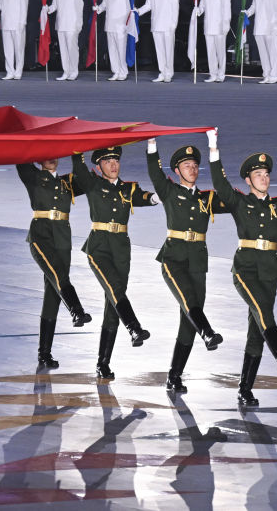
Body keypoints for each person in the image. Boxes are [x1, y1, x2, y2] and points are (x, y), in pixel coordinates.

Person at [206, 128, 277, 408]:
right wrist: (213, 148)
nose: (264, 178)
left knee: (256, 330)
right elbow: (220, 183)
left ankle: (244, 390)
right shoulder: (239, 201)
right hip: (245, 270)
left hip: (269, 271)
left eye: (266, 174)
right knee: (263, 312)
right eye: (258, 174)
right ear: (248, 180)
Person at [146, 139, 229, 393]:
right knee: (190, 302)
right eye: (186, 166)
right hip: (173, 259)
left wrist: (214, 152)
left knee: (188, 320)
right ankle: (208, 332)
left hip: (197, 262)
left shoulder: (207, 198)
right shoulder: (169, 191)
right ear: (176, 171)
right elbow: (154, 172)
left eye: (194, 165)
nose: (192, 169)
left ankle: (174, 376)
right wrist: (152, 143)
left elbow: (228, 196)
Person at [71, 147, 156, 380]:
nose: (113, 165)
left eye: (116, 160)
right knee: (116, 290)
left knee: (113, 306)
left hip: (121, 250)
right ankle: (134, 327)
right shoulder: (92, 184)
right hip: (98, 248)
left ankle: (103, 364)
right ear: (98, 166)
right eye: (107, 161)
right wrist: (79, 144)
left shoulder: (128, 188)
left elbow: (144, 198)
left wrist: (157, 197)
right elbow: (78, 166)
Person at [16, 158, 92, 370]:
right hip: (41, 237)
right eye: (47, 155)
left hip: (62, 240)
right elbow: (20, 158)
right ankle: (76, 310)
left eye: (55, 154)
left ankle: (44, 354)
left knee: (53, 296)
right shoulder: (33, 177)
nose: (51, 158)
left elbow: (87, 182)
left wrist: (77, 154)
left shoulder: (66, 182)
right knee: (60, 277)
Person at [135, 0, 180, 83]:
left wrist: (173, 25)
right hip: (156, 24)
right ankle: (162, 72)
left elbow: (175, 9)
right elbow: (148, 5)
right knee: (159, 51)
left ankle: (169, 73)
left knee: (168, 51)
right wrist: (138, 11)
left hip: (168, 26)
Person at [44, 0, 84, 81]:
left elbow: (79, 7)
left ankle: (74, 71)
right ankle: (66, 71)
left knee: (72, 49)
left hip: (72, 24)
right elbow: (54, 5)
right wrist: (47, 9)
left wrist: (79, 25)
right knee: (63, 49)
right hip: (61, 24)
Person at [93, 0, 132, 81]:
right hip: (110, 23)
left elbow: (129, 7)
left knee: (121, 49)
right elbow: (105, 3)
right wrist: (98, 8)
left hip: (121, 24)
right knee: (112, 49)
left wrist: (126, 23)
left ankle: (123, 71)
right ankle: (115, 71)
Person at [196, 0, 232, 82]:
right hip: (208, 25)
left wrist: (226, 25)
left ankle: (221, 74)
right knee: (210, 51)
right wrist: (197, 11)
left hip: (220, 26)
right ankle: (213, 74)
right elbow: (202, 7)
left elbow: (227, 10)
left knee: (221, 52)